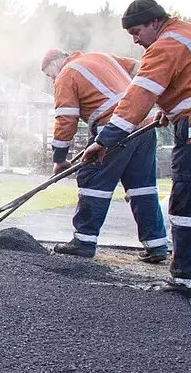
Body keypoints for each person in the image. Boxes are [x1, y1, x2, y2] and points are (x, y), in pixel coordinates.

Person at [83, 0, 191, 297]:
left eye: (137, 31)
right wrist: (170, 109)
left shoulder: (164, 46)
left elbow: (138, 97)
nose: (136, 39)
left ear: (154, 22)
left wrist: (103, 141)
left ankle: (187, 279)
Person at [41, 48, 169, 261]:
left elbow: (65, 119)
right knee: (142, 188)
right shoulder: (102, 57)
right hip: (143, 124)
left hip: (113, 127)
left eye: (48, 74)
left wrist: (60, 160)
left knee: (93, 181)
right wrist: (161, 102)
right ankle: (157, 245)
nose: (51, 79)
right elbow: (144, 70)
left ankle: (84, 241)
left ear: (54, 63)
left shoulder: (65, 75)